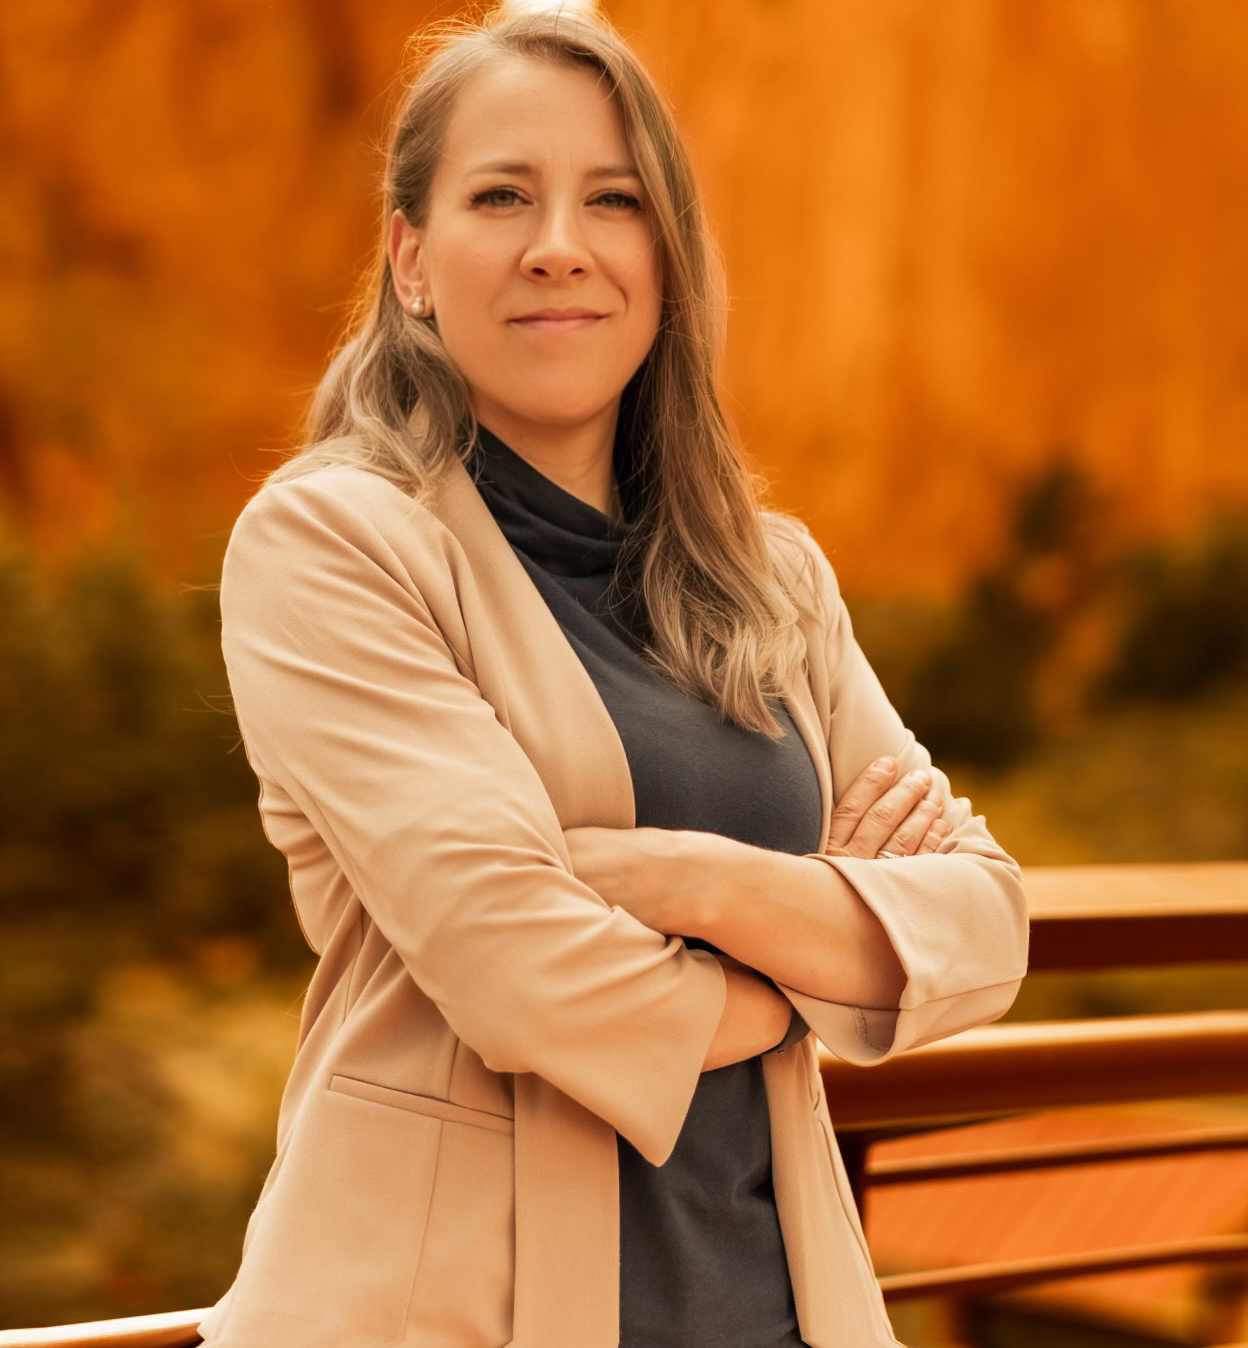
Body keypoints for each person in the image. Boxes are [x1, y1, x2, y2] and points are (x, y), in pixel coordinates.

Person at [203, 6, 1029, 1347]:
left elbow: (983, 925)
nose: (558, 247)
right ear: (411, 258)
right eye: (501, 196)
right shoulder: (332, 544)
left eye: (614, 199)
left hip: (777, 1308)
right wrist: (817, 961)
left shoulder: (778, 581)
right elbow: (519, 967)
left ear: (669, 256)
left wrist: (693, 883)